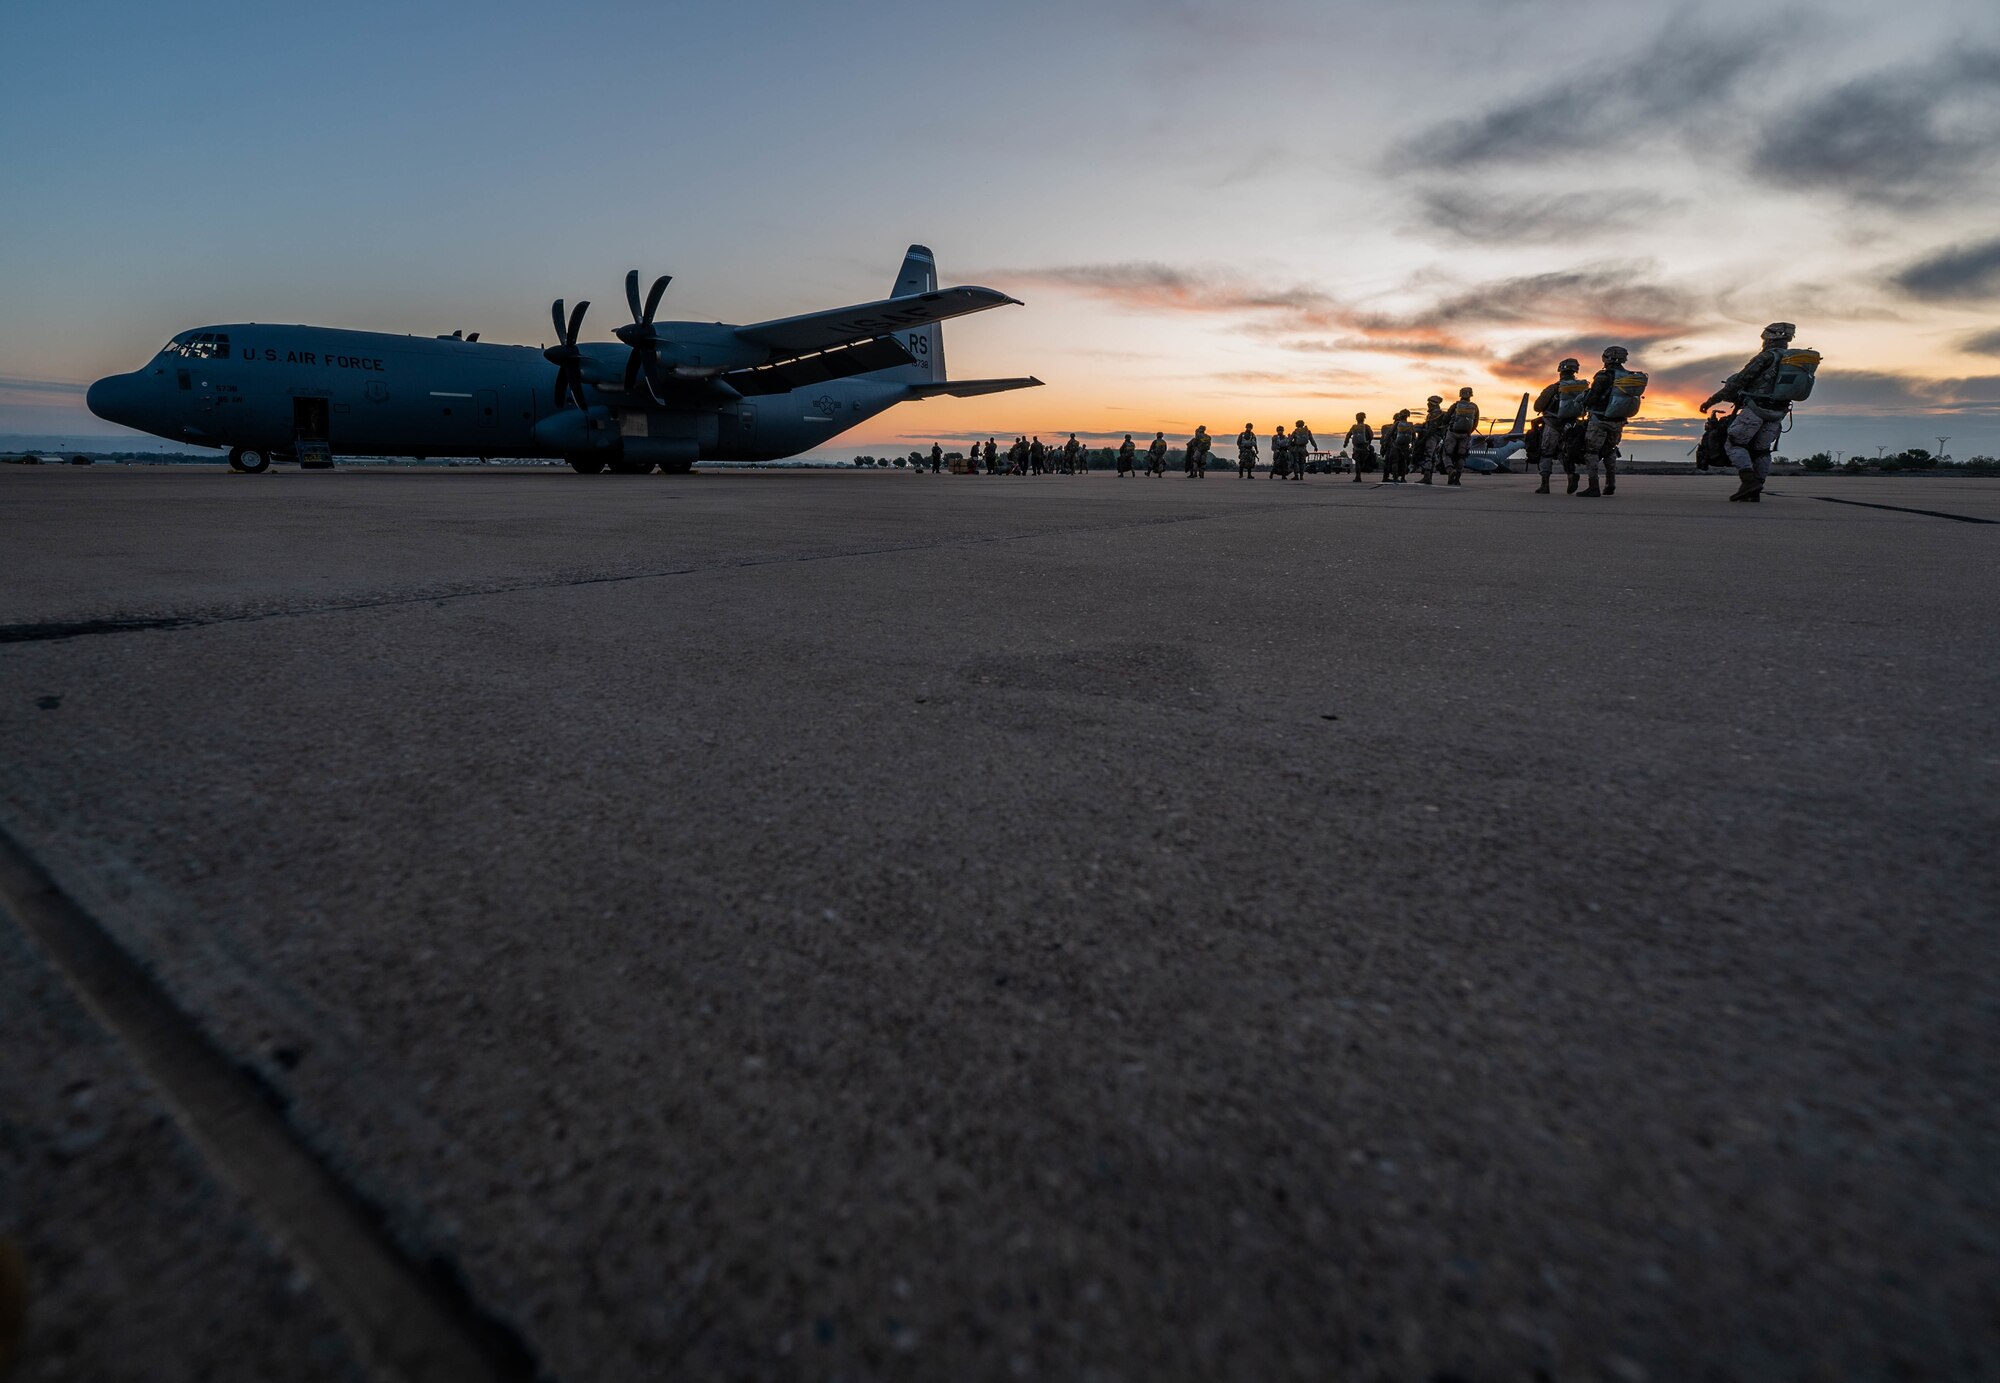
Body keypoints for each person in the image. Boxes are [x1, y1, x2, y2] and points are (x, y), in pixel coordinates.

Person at [1700, 322, 1809, 503]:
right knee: (1761, 451)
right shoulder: (1791, 360)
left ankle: (1749, 482)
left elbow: (1739, 382)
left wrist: (1711, 401)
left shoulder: (1766, 357)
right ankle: (1755, 490)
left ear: (1770, 337)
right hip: (1778, 413)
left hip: (1756, 409)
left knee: (1734, 443)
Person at [1577, 346, 1645, 497]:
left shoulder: (1603, 376)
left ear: (1607, 358)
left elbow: (1593, 398)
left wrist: (1583, 400)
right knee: (1610, 451)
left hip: (1599, 420)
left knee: (1591, 452)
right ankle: (1610, 484)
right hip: (1618, 422)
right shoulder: (1628, 377)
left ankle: (1593, 486)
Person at [1531, 358, 1587, 494]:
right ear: (1575, 371)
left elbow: (1537, 406)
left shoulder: (1553, 388)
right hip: (1572, 425)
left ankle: (1545, 485)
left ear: (1560, 370)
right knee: (1565, 452)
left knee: (1546, 452)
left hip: (1552, 424)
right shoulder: (1582, 388)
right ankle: (1571, 475)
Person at [1436, 387, 1478, 486]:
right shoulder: (1475, 407)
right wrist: (1468, 432)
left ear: (1460, 394)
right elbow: (1476, 422)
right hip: (1465, 435)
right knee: (1462, 456)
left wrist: (1444, 425)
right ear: (1471, 395)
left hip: (1452, 433)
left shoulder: (1455, 405)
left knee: (1446, 453)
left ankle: (1450, 470)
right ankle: (1457, 478)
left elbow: (1446, 418)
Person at [1418, 395, 1447, 483]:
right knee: (1432, 456)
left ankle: (1427, 476)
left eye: (1430, 403)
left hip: (1432, 437)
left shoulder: (1435, 414)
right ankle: (1428, 477)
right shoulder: (1435, 413)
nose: (1428, 405)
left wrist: (1423, 439)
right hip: (1437, 437)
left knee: (1428, 455)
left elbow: (1431, 428)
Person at [1385, 409, 1417, 482]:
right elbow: (1414, 437)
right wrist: (1413, 447)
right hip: (1406, 446)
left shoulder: (1397, 424)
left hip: (1396, 445)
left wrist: (1385, 444)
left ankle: (1395, 478)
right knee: (1404, 462)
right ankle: (1403, 478)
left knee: (1394, 462)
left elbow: (1389, 434)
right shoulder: (1410, 425)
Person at [1344, 412, 1374, 482]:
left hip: (1356, 448)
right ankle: (1365, 470)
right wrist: (1368, 442)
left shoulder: (1354, 427)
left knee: (1358, 462)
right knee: (1364, 460)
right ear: (1364, 419)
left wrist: (1346, 443)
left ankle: (1358, 477)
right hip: (1365, 448)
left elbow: (1348, 435)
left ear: (1356, 419)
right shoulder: (1366, 427)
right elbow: (1371, 435)